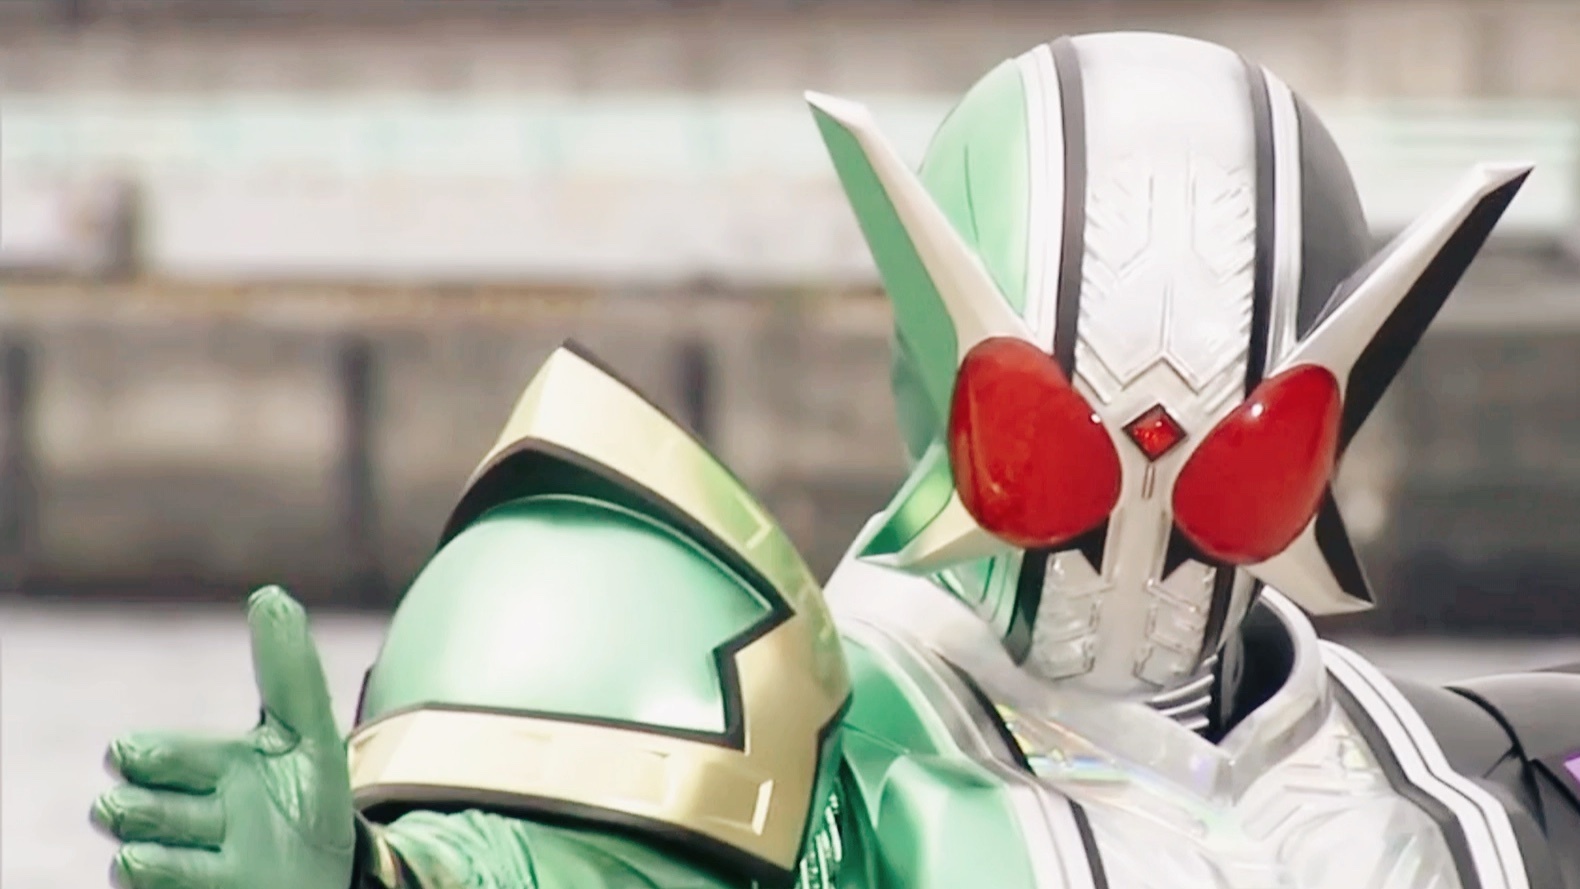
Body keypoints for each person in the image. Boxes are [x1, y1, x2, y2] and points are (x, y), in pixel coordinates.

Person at [93, 31, 1579, 889]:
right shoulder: (818, 750)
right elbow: (583, 871)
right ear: (933, 382)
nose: (1137, 529)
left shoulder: (1446, 774)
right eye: (1050, 449)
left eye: (1236, 463)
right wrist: (373, 880)